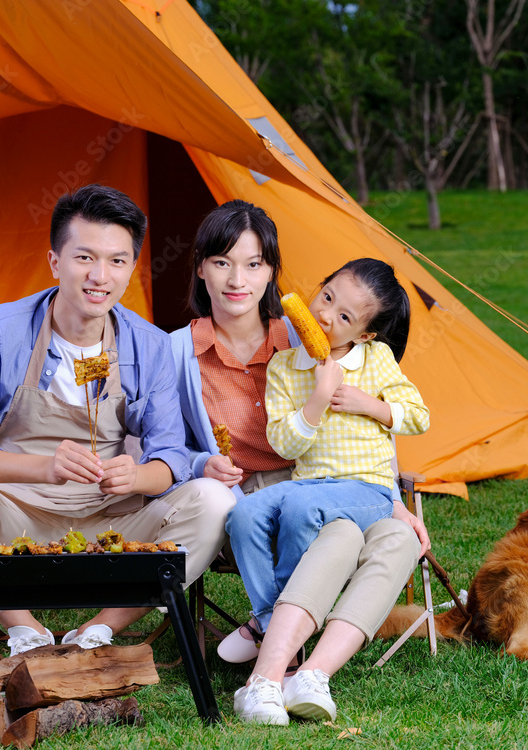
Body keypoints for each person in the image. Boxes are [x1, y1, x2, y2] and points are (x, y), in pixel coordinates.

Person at [0, 184, 236, 656]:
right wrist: (45, 469)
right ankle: (23, 629)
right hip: (15, 513)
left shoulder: (146, 345)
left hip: (109, 517)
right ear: (54, 262)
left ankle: (102, 627)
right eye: (84, 257)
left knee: (213, 501)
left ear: (132, 267)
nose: (99, 276)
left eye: (116, 260)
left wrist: (137, 476)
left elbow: (169, 453)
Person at [169, 204, 429, 701]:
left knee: (397, 539)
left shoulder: (329, 345)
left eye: (254, 264)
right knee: (321, 528)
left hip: (342, 485)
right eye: (222, 262)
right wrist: (201, 463)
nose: (237, 280)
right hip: (258, 490)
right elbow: (164, 442)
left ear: (271, 272)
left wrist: (395, 499)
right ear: (200, 265)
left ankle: (308, 672)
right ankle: (278, 646)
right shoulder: (182, 353)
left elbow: (385, 427)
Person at [227, 257, 431, 725]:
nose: (325, 315)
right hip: (310, 484)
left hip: (368, 491)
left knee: (299, 503)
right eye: (327, 297)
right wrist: (317, 399)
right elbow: (284, 442)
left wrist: (369, 405)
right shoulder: (285, 367)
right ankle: (270, 622)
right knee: (244, 515)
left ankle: (280, 658)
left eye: (344, 317)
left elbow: (419, 416)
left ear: (364, 335)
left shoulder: (376, 362)